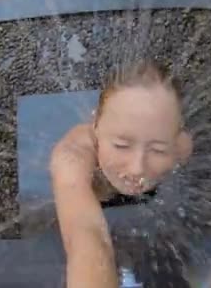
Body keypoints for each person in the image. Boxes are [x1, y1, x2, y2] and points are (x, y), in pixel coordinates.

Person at [49, 60, 193, 288]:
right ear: (95, 124)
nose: (137, 168)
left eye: (158, 149)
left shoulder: (182, 148)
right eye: (121, 145)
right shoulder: (72, 158)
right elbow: (87, 237)